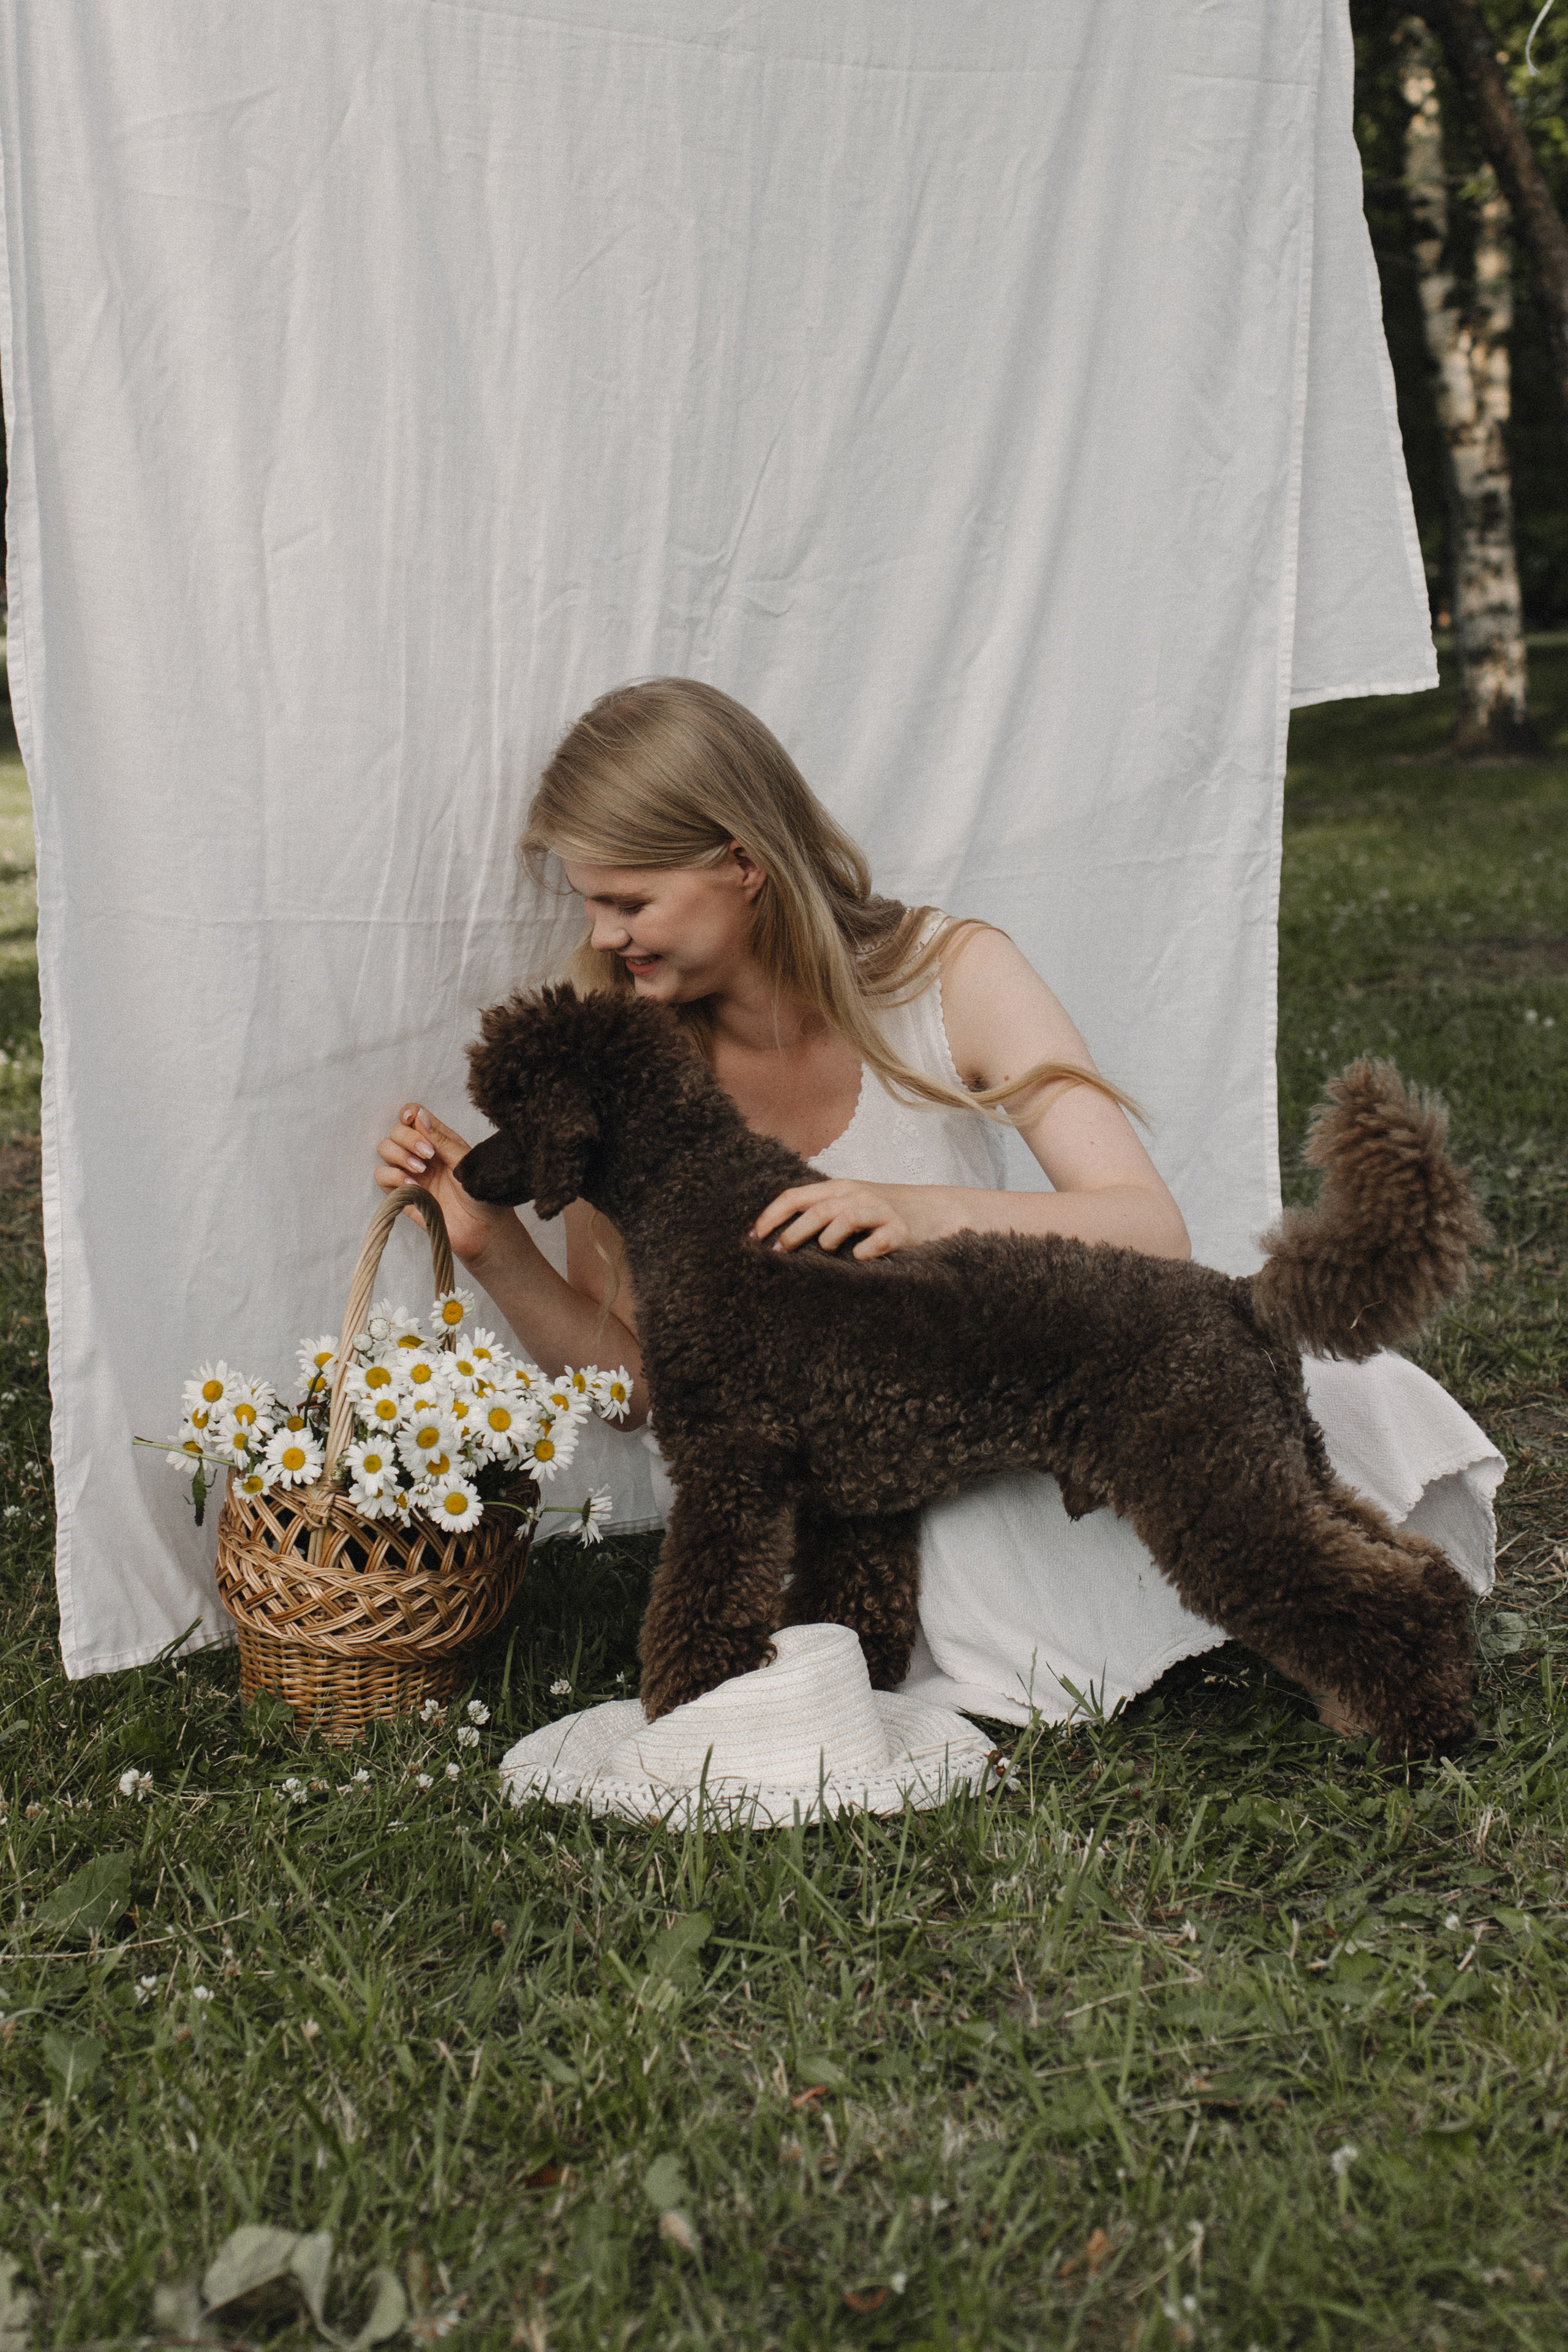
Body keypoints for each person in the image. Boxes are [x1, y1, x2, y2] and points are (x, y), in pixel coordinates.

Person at [376, 676, 1502, 1727]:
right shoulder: (634, 1066)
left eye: (630, 900)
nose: (605, 936)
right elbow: (644, 1388)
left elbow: (1148, 1228)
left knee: (1259, 1451)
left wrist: (919, 1211)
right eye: (590, 905)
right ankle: (1255, 1618)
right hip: (907, 1469)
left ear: (742, 862)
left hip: (1063, 1374)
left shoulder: (950, 971)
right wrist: (492, 1250)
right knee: (939, 1530)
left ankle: (1336, 1620)